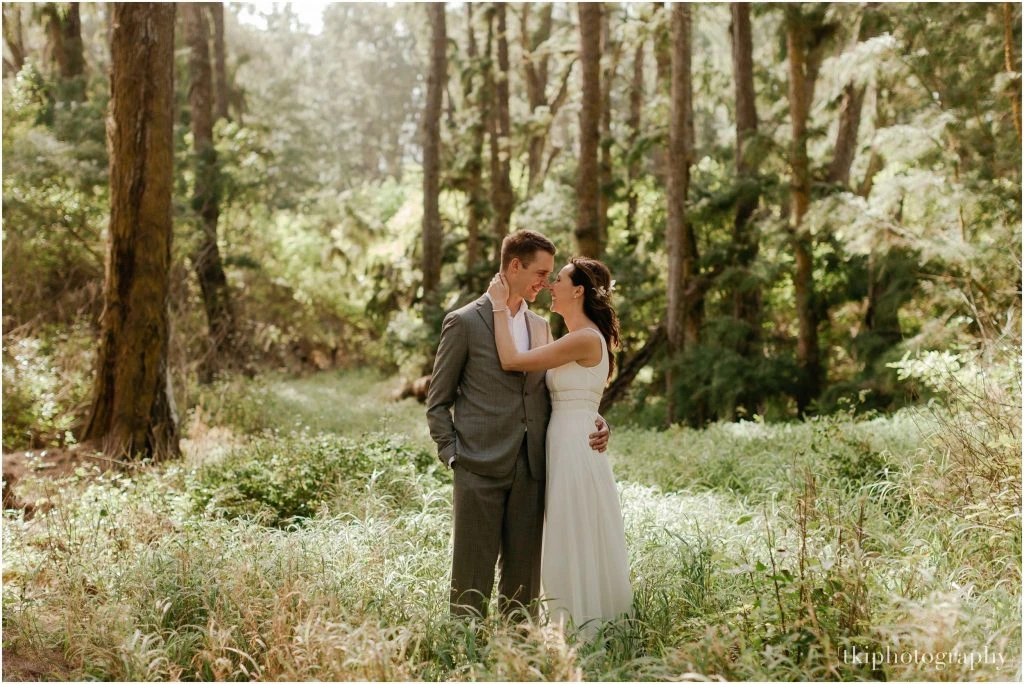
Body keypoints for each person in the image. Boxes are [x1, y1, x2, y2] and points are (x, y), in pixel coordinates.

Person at [426, 230, 610, 620]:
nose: (545, 283)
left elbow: (555, 392)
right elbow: (438, 400)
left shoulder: (542, 327)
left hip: (533, 467)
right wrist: (452, 454)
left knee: (523, 580)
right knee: (470, 577)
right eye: (540, 273)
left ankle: (517, 658)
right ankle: (465, 657)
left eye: (550, 277)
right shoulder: (463, 322)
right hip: (478, 465)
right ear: (514, 266)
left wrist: (595, 418)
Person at [486, 256, 632, 634]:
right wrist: (597, 418)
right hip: (569, 438)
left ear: (578, 290)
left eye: (560, 279)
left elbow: (512, 360)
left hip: (573, 446)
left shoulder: (583, 339)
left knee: (572, 531)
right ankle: (573, 624)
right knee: (568, 529)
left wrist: (499, 305)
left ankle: (581, 629)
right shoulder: (572, 339)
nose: (551, 285)